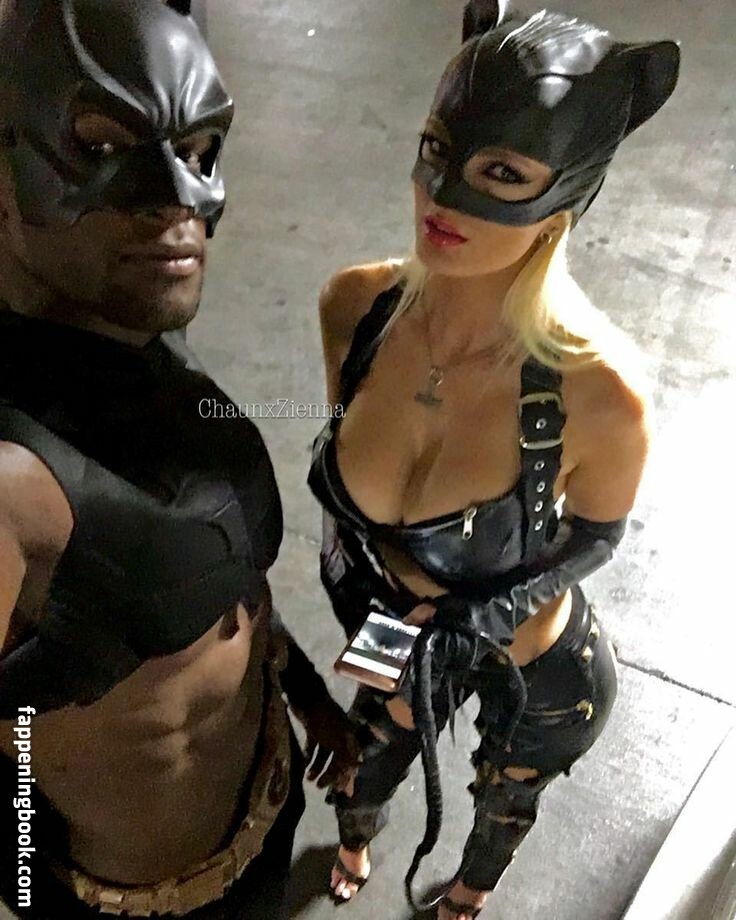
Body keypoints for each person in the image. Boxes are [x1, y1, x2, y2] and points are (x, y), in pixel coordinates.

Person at [308, 2, 680, 917]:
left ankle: (467, 897)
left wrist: (492, 610)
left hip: (536, 666)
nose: (443, 196)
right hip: (395, 639)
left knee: (504, 803)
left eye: (502, 173)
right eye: (437, 148)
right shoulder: (356, 311)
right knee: (358, 774)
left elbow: (598, 536)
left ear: (568, 194)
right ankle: (354, 846)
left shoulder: (603, 395)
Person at [0, 2, 362, 917]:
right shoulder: (9, 489)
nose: (178, 203)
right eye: (101, 145)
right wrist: (23, 873)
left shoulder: (140, 342)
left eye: (200, 152)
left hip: (270, 815)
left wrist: (302, 690)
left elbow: (225, 579)